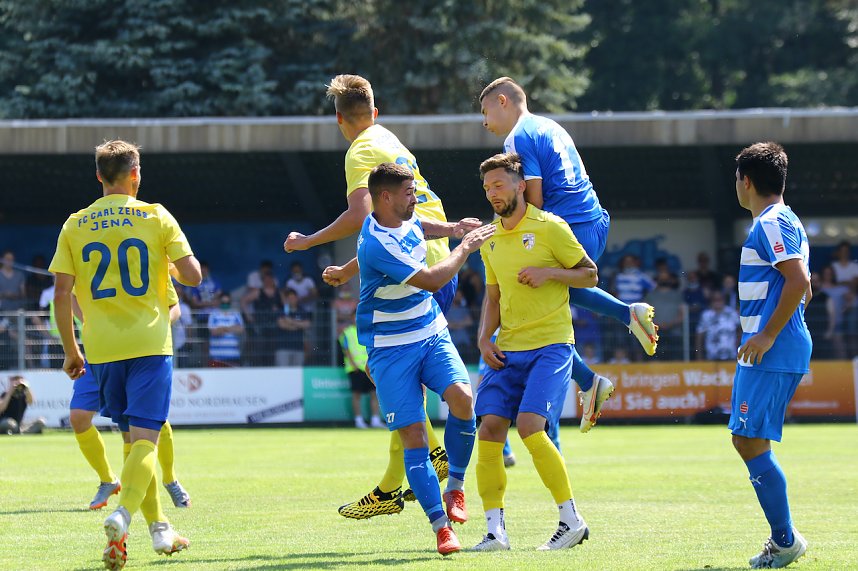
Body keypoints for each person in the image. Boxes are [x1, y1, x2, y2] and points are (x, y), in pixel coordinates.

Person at [289, 74, 481, 520]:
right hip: (429, 253)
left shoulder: (358, 150)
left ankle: (432, 461)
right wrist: (352, 267)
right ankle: (391, 488)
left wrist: (310, 241)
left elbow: (362, 216)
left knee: (398, 381)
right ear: (375, 112)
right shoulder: (389, 137)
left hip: (422, 264)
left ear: (339, 119)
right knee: (401, 393)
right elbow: (382, 231)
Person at [50, 140, 202, 569]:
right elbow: (192, 276)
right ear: (136, 175)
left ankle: (159, 529)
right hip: (150, 343)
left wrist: (71, 350)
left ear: (99, 176)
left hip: (101, 350)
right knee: (147, 441)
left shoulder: (75, 224)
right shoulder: (155, 215)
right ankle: (124, 514)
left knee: (131, 442)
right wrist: (167, 263)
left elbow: (63, 294)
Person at [479, 77, 658, 429]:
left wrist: (503, 234)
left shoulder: (516, 136)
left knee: (530, 309)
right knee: (550, 308)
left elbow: (535, 199)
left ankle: (620, 326)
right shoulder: (550, 125)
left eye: (485, 111)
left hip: (568, 225)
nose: (485, 121)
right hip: (593, 219)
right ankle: (593, 377)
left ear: (503, 101)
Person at [352, 162, 493, 554]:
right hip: (390, 349)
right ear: (385, 197)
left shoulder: (398, 218)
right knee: (414, 436)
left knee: (464, 399)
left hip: (430, 333)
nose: (416, 198)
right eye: (410, 192)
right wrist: (465, 247)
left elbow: (420, 227)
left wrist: (450, 229)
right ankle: (440, 526)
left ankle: (457, 488)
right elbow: (432, 280)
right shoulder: (377, 244)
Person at [473, 153, 598, 552]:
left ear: (520, 185)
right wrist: (482, 338)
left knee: (529, 426)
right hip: (507, 349)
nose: (493, 193)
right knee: (489, 429)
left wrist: (550, 273)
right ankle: (495, 532)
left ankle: (571, 520)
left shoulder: (551, 227)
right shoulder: (489, 239)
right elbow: (493, 296)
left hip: (551, 345)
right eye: (487, 187)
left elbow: (590, 273)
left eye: (499, 185)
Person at [731, 142, 811, 568]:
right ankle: (784, 537)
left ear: (746, 181)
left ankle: (784, 541)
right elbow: (804, 285)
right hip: (773, 344)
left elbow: (798, 281)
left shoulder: (772, 222)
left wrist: (766, 335)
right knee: (746, 438)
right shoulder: (784, 219)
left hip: (771, 347)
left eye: (737, 180)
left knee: (748, 439)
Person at [70, 289, 192, 511]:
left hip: (141, 354)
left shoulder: (147, 259)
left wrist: (156, 324)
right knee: (78, 417)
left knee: (148, 423)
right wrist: (91, 323)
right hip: (99, 353)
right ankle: (108, 480)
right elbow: (70, 294)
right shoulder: (89, 258)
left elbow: (174, 306)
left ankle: (169, 480)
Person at [338, 316, 383, 429]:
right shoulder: (347, 332)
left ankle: (375, 420)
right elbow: (346, 350)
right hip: (356, 369)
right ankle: (358, 420)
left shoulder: (369, 330)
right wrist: (354, 366)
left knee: (374, 394)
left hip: (369, 367)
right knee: (356, 395)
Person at [696, 290, 741, 361]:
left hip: (731, 355)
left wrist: (739, 351)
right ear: (711, 301)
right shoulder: (706, 315)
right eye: (715, 300)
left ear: (724, 300)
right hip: (712, 356)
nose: (717, 302)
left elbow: (739, 332)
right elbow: (700, 336)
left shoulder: (732, 313)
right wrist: (699, 357)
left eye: (720, 299)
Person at [207, 293, 244, 366]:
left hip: (233, 355)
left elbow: (241, 329)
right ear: (219, 302)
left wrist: (223, 328)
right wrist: (231, 328)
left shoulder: (236, 314)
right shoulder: (213, 314)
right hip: (216, 356)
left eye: (227, 303)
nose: (225, 304)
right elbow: (214, 332)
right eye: (223, 303)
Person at [275, 289, 310, 366]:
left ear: (297, 298)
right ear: (287, 299)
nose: (292, 300)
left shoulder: (302, 311)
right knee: (283, 374)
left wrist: (291, 321)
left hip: (298, 348)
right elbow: (282, 325)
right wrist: (298, 325)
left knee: (298, 374)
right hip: (283, 348)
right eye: (290, 298)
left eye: (293, 298)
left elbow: (307, 324)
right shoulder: (281, 311)